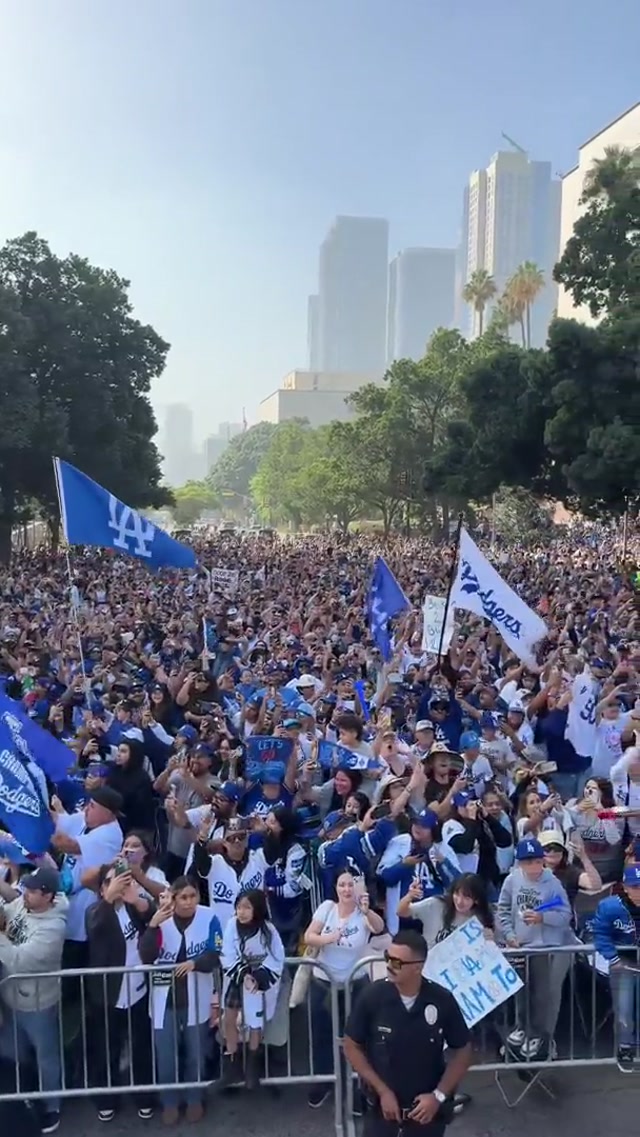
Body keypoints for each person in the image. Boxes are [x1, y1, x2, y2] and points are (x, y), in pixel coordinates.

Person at [343, 929, 472, 1137]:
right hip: (381, 1114)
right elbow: (351, 1045)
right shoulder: (373, 997)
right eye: (387, 957)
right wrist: (382, 1090)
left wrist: (438, 1096)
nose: (389, 966)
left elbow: (463, 1050)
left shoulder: (441, 1000)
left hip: (426, 1116)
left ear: (417, 967)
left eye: (397, 962)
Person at [138, 876, 222, 1125]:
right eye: (183, 897)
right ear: (173, 899)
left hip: (196, 996)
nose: (188, 902)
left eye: (192, 896)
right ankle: (169, 1101)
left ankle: (194, 1098)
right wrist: (153, 925)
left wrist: (195, 963)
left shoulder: (210, 917)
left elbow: (215, 952)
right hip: (165, 1000)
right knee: (166, 1056)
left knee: (196, 1053)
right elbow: (146, 955)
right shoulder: (160, 918)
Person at [303, 870, 384, 1109]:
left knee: (358, 1036)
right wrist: (328, 938)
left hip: (355, 983)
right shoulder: (326, 908)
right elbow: (309, 936)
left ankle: (361, 1086)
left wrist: (367, 910)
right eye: (342, 885)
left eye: (350, 885)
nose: (346, 889)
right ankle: (324, 1081)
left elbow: (378, 928)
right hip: (323, 982)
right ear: (336, 888)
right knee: (321, 1034)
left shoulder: (363, 913)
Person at [84, 862, 156, 1123]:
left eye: (121, 880)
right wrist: (109, 899)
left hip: (137, 990)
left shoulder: (131, 907)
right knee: (106, 1048)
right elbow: (94, 927)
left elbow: (154, 918)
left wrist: (138, 901)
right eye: (110, 881)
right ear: (102, 888)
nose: (117, 886)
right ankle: (106, 1099)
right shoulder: (95, 910)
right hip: (108, 995)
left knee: (140, 1046)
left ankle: (144, 1097)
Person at [0, 867, 69, 1135]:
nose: (24, 893)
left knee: (46, 1057)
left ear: (48, 895)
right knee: (12, 1054)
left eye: (31, 890)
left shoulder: (53, 928)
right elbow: (8, 908)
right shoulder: (25, 904)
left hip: (38, 1004)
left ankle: (52, 1106)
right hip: (10, 999)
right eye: (25, 888)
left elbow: (18, 960)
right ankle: (21, 1098)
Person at [497, 838, 572, 1060]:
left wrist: (542, 917)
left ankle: (537, 1034)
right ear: (520, 863)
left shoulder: (553, 883)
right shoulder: (512, 880)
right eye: (528, 862)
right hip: (519, 945)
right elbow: (502, 910)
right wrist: (509, 935)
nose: (533, 866)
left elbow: (565, 915)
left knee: (541, 993)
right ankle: (522, 1026)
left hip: (543, 946)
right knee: (521, 991)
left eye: (537, 861)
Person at [51, 787, 124, 969]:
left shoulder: (110, 834)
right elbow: (58, 820)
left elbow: (68, 845)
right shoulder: (88, 820)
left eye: (92, 806)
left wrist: (40, 832)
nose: (86, 810)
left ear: (107, 813)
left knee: (75, 965)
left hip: (87, 908)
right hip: (69, 900)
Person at [220, 889, 285, 1089]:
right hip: (237, 979)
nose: (242, 912)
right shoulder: (231, 925)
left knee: (255, 1024)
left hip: (257, 982)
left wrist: (258, 977)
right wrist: (242, 974)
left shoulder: (268, 930)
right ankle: (232, 1066)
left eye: (247, 907)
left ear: (256, 908)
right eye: (239, 907)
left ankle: (252, 1068)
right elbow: (227, 953)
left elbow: (277, 957)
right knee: (229, 1019)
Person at [592, 862, 640, 1072]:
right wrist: (613, 958)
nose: (639, 892)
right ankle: (625, 1047)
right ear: (626, 887)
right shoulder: (610, 906)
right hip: (623, 964)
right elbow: (600, 934)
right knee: (624, 1008)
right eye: (635, 887)